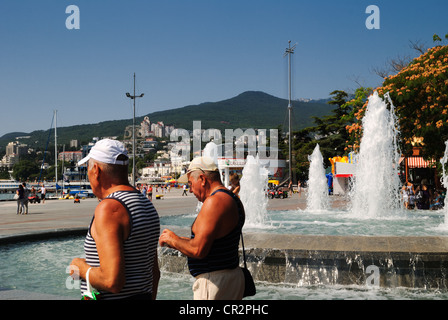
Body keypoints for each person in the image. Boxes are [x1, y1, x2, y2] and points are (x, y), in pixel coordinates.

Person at [69, 139, 160, 300]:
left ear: (96, 170)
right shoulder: (146, 204)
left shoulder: (110, 208)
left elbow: (112, 282)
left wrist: (81, 267)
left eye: (88, 169)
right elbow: (154, 272)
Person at [159, 156, 245, 300]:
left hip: (214, 283)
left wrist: (173, 240)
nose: (190, 190)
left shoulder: (214, 202)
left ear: (202, 179)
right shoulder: (233, 198)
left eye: (191, 183)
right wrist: (178, 241)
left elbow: (198, 250)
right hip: (231, 278)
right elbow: (214, 242)